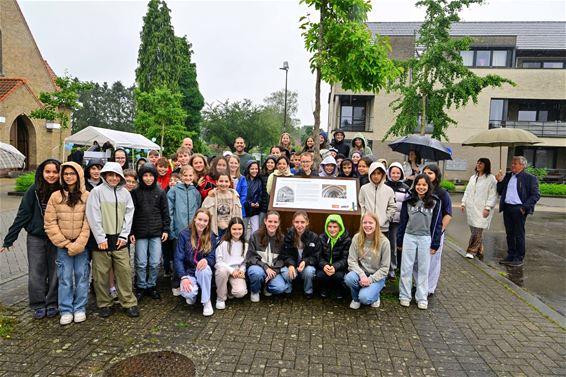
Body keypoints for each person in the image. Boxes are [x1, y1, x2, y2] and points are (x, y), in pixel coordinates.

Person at [2, 159, 61, 319]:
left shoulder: (62, 191)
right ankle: (38, 304)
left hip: (57, 238)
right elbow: (23, 214)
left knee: (55, 271)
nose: (51, 175)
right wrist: (10, 238)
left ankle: (53, 302)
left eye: (55, 172)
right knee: (36, 271)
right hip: (36, 237)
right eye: (48, 172)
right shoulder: (33, 190)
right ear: (42, 172)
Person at [86, 162, 139, 318]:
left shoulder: (125, 193)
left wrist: (124, 235)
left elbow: (129, 215)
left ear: (121, 177)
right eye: (110, 175)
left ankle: (128, 302)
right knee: (101, 273)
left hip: (119, 240)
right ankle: (104, 303)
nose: (114, 178)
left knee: (124, 271)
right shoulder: (97, 192)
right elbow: (92, 215)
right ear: (104, 176)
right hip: (101, 239)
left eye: (117, 175)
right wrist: (100, 237)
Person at [44, 162, 91, 325]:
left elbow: (89, 221)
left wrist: (79, 243)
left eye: (72, 173)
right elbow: (50, 223)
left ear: (78, 175)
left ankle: (79, 307)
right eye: (65, 174)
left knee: (82, 276)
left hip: (81, 245)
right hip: (63, 246)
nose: (69, 176)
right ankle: (65, 309)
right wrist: (65, 243)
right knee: (64, 278)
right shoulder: (56, 196)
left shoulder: (86, 196)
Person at [398, 175, 442, 311]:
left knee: (424, 268)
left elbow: (437, 225)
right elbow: (402, 222)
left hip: (425, 238)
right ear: (414, 185)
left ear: (428, 186)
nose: (421, 187)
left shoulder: (435, 202)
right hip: (409, 237)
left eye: (424, 185)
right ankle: (404, 296)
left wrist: (435, 244)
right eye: (418, 184)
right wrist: (400, 240)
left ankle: (422, 297)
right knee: (406, 268)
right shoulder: (409, 201)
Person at [130, 164, 170, 301]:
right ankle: (141, 286)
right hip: (140, 232)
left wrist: (166, 229)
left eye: (151, 175)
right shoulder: (135, 193)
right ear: (141, 177)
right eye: (145, 175)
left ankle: (151, 285)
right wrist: (131, 232)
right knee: (141, 262)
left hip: (156, 232)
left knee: (154, 262)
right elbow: (131, 214)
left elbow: (165, 212)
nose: (148, 178)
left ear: (155, 176)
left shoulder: (160, 192)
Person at [495, 156, 540, 267]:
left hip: (519, 209)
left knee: (518, 234)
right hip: (507, 208)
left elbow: (535, 195)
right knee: (509, 233)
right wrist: (499, 181)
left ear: (522, 165)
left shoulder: (530, 178)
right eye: (512, 163)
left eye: (515, 163)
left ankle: (519, 257)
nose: (513, 165)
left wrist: (525, 207)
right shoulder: (509, 176)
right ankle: (511, 255)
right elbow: (500, 191)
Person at [174, 208, 217, 316]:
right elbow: (178, 258)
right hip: (188, 271)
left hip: (202, 270)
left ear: (208, 223)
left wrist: (207, 260)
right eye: (200, 219)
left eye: (205, 221)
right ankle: (193, 294)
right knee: (188, 293)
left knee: (205, 270)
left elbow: (213, 255)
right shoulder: (184, 234)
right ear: (194, 219)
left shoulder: (211, 236)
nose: (202, 223)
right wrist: (183, 277)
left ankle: (206, 302)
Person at [168, 165, 202, 295]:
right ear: (181, 177)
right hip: (178, 230)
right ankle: (176, 282)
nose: (188, 178)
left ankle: (189, 282)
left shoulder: (195, 192)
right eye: (185, 175)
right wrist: (171, 229)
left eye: (190, 175)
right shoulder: (174, 191)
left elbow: (198, 208)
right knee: (179, 257)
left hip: (192, 231)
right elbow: (169, 211)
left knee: (191, 256)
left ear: (193, 177)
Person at [345, 212, 390, 309]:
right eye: (365, 223)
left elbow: (385, 268)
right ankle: (355, 298)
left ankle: (375, 296)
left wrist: (370, 280)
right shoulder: (357, 238)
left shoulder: (384, 242)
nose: (367, 225)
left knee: (365, 298)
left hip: (376, 276)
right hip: (361, 273)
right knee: (349, 278)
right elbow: (351, 261)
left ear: (376, 224)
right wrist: (362, 275)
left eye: (370, 223)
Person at [422, 164, 452, 296]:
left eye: (430, 173)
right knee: (420, 260)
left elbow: (448, 214)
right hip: (421, 232)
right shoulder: (420, 189)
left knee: (433, 261)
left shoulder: (442, 193)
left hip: (436, 232)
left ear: (436, 175)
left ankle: (429, 288)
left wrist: (440, 230)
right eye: (425, 172)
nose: (427, 175)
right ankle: (420, 285)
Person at [246, 211, 288, 301]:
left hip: (273, 269)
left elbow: (283, 259)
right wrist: (265, 267)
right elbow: (251, 257)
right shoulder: (255, 236)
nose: (272, 224)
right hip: (258, 267)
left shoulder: (282, 238)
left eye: (275, 222)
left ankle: (266, 286)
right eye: (270, 221)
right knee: (256, 273)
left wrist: (274, 270)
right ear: (265, 221)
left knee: (280, 288)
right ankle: (255, 291)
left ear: (279, 222)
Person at [461, 158, 497, 259]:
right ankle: (480, 249)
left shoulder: (491, 178)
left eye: (481, 163)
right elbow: (467, 191)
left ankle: (471, 251)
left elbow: (493, 194)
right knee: (473, 229)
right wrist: (463, 203)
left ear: (486, 165)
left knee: (478, 230)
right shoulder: (473, 177)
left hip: (482, 209)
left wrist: (488, 207)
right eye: (478, 163)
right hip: (471, 208)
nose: (478, 165)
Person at [280, 211, 322, 298]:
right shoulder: (288, 235)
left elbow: (316, 256)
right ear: (293, 222)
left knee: (309, 271)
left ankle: (308, 290)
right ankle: (289, 288)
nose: (299, 225)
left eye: (302, 222)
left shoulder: (313, 237)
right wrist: (291, 264)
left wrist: (305, 261)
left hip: (305, 266)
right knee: (285, 271)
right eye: (297, 222)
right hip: (293, 264)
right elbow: (285, 254)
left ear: (307, 222)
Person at [214, 217, 249, 309]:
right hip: (224, 269)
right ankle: (221, 298)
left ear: (243, 229)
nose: (237, 231)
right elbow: (218, 262)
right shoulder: (222, 243)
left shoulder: (245, 245)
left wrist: (242, 270)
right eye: (234, 229)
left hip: (237, 271)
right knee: (221, 272)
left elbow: (244, 262)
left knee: (240, 292)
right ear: (229, 229)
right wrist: (231, 270)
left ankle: (229, 288)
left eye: (239, 229)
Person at [385, 162, 410, 278]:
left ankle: (392, 268)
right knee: (384, 245)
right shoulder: (384, 185)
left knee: (393, 246)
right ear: (389, 173)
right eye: (393, 172)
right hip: (385, 220)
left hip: (397, 222)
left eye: (398, 173)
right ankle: (383, 268)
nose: (395, 175)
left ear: (401, 174)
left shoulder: (405, 188)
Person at [358, 161, 396, 236]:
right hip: (367, 227)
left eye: (378, 173)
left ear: (383, 175)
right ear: (370, 174)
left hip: (383, 228)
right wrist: (365, 218)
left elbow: (392, 207)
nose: (376, 176)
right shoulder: (364, 189)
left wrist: (384, 219)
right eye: (374, 173)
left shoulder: (389, 190)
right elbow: (361, 205)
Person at [202, 173, 243, 242]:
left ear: (230, 182)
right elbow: (204, 212)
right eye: (221, 181)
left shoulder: (234, 196)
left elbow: (239, 214)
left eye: (226, 181)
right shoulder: (211, 196)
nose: (223, 184)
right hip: (215, 229)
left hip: (229, 229)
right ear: (216, 182)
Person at [318, 214, 351, 299]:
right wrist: (324, 265)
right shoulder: (322, 238)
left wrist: (334, 267)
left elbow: (345, 259)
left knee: (338, 276)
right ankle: (323, 288)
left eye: (335, 227)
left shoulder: (346, 240)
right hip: (325, 266)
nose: (332, 229)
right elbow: (318, 256)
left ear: (340, 227)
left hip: (338, 267)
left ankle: (338, 289)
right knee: (320, 275)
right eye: (329, 226)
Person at [244, 160, 262, 237]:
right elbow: (242, 195)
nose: (254, 171)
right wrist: (249, 203)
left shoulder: (259, 181)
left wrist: (258, 202)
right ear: (248, 169)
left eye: (256, 169)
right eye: (252, 169)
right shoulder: (243, 179)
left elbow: (260, 194)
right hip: (245, 210)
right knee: (243, 230)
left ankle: (252, 247)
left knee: (255, 230)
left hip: (255, 210)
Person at [259, 155, 277, 222]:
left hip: (272, 205)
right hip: (262, 205)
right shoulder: (261, 175)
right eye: (268, 162)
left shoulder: (277, 175)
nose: (270, 164)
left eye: (272, 163)